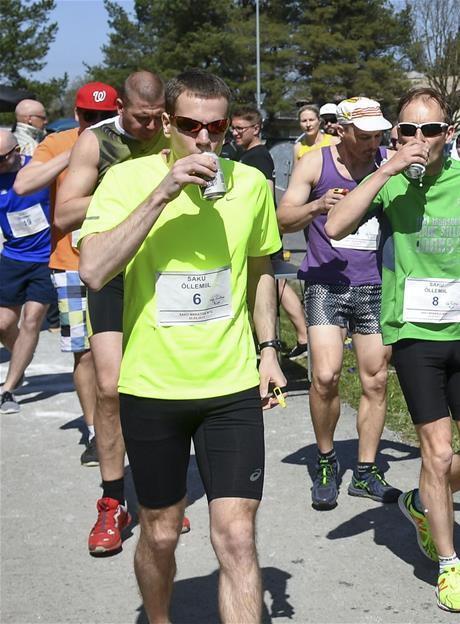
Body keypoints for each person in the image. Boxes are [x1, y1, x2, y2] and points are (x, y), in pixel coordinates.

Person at [78, 69, 286, 622]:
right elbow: (95, 270)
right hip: (153, 387)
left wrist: (269, 348)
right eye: (191, 125)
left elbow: (262, 267)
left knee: (237, 537)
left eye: (216, 127)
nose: (204, 139)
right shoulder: (125, 181)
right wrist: (164, 190)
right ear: (168, 123)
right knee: (162, 534)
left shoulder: (251, 185)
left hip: (232, 385)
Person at [325, 86, 460, 613]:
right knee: (437, 453)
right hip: (414, 334)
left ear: (449, 133)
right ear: (396, 134)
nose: (420, 140)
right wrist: (386, 168)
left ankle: (422, 503)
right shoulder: (391, 182)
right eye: (408, 130)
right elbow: (334, 226)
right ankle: (447, 563)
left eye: (431, 130)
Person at [54, 70, 184, 555]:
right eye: (141, 119)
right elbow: (64, 214)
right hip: (111, 270)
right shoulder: (96, 141)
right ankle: (112, 501)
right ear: (121, 110)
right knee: (109, 387)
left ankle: (163, 493)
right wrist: (133, 194)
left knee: (166, 385)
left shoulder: (177, 134)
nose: (151, 128)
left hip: (163, 272)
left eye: (158, 120)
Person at [278, 97, 399, 510]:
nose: (372, 144)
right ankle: (326, 459)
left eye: (377, 135)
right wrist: (316, 206)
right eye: (364, 136)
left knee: (376, 380)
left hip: (374, 285)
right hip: (326, 284)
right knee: (326, 376)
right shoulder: (315, 163)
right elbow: (282, 216)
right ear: (341, 130)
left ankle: (365, 471)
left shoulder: (388, 162)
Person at [11, 81, 119, 460]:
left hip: (122, 260)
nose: (99, 122)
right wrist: (75, 152)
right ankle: (94, 431)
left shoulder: (129, 142)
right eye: (91, 116)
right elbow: (24, 183)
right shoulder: (58, 142)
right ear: (78, 115)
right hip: (70, 263)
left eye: (106, 116)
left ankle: (126, 426)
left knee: (127, 351)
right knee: (84, 353)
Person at [232, 106, 309, 360]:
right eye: (232, 128)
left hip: (264, 230)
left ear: (256, 129)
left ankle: (302, 336)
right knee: (275, 284)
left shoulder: (258, 157)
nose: (235, 133)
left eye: (240, 129)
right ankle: (300, 335)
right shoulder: (247, 155)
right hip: (260, 230)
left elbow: (265, 192)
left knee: (276, 282)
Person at [0, 130, 53, 414]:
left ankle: (8, 388)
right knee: (4, 324)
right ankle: (22, 356)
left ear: (16, 150)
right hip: (12, 257)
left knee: (32, 321)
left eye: (1, 159)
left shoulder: (39, 169)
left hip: (45, 258)